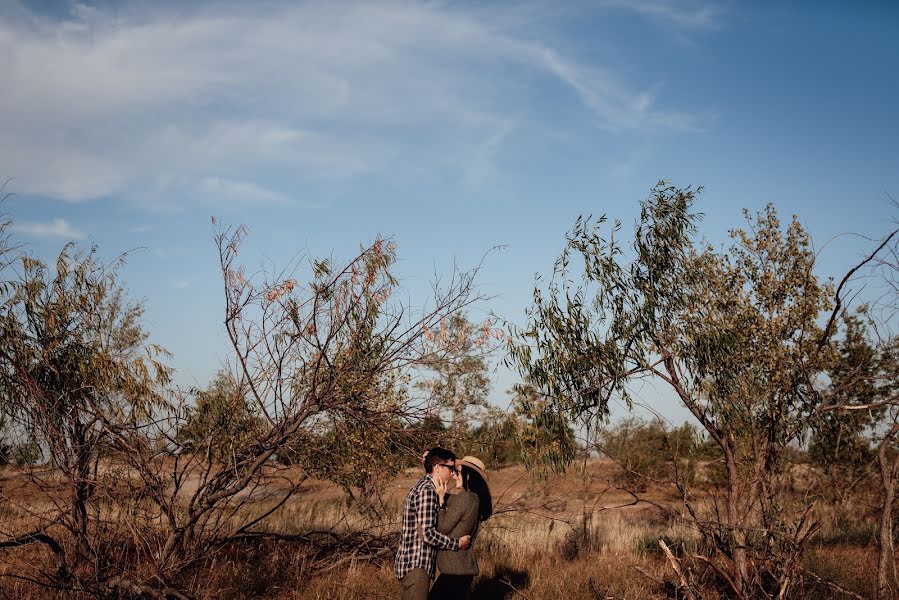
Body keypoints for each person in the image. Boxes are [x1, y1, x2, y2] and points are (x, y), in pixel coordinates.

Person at [395, 447, 471, 600]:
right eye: (450, 468)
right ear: (437, 467)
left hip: (414, 565)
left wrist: (455, 490)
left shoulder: (428, 488)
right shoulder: (427, 491)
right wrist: (457, 544)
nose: (452, 473)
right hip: (417, 566)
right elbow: (428, 535)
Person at [429, 456, 492, 600]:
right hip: (460, 568)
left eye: (456, 471)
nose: (452, 474)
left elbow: (443, 527)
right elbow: (452, 503)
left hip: (456, 568)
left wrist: (440, 501)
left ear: (466, 474)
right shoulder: (471, 498)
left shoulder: (466, 498)